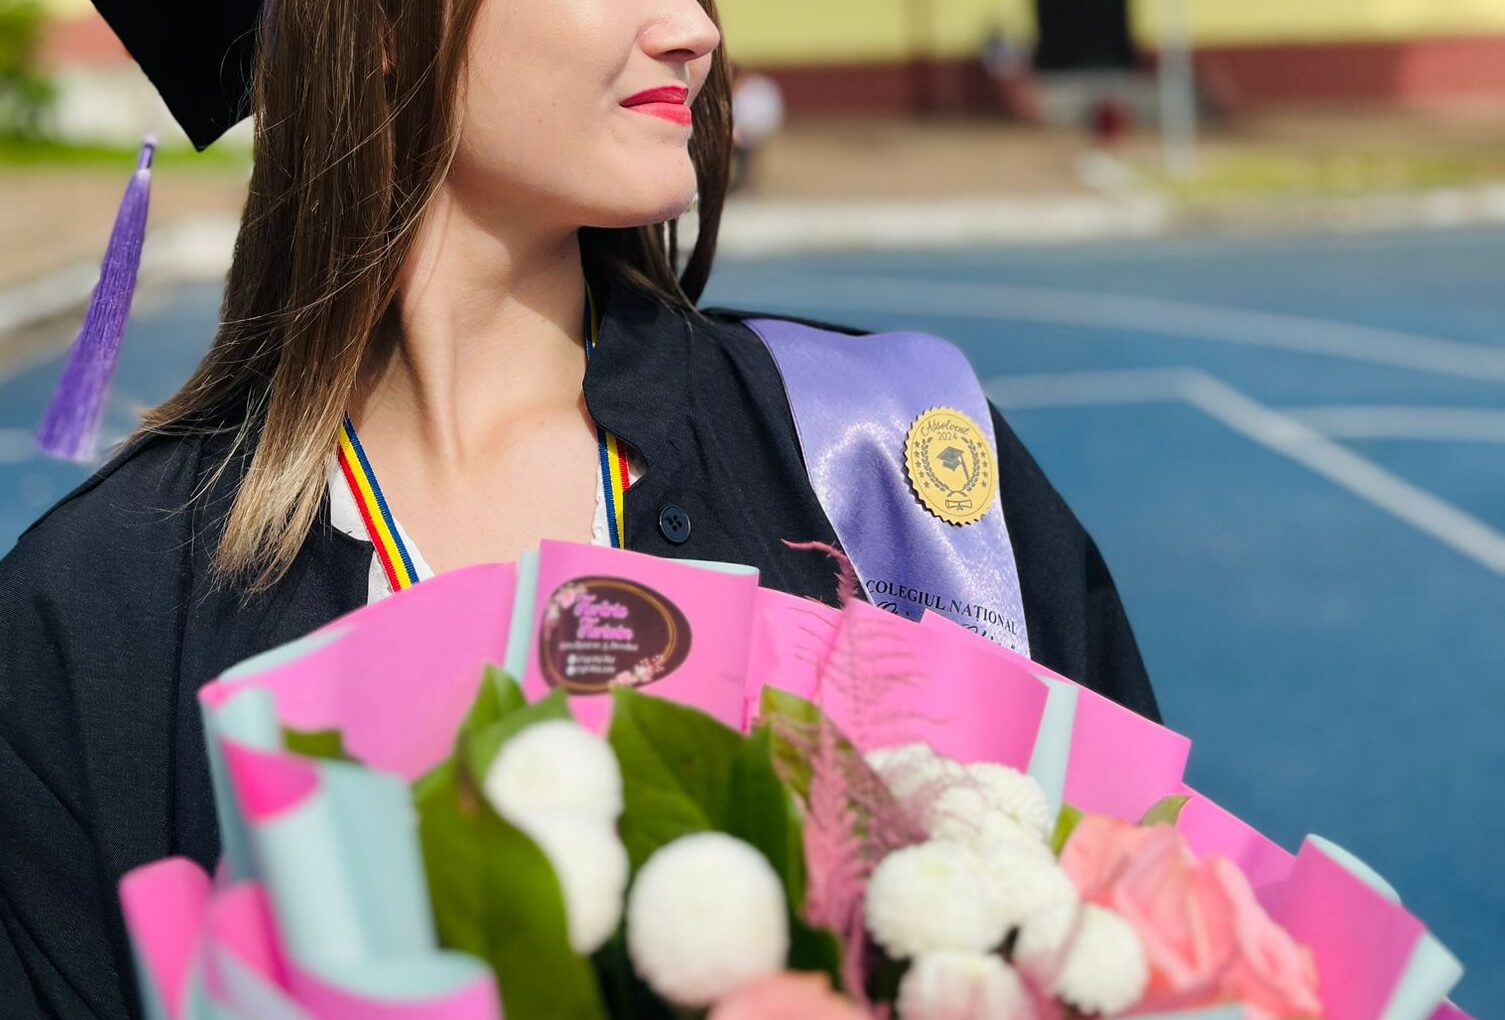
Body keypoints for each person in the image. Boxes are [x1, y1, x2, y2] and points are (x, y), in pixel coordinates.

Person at [0, 0, 1159, 1016]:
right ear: (379, 25)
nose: (693, 31)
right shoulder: (99, 613)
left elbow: (1138, 934)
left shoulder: (890, 463)